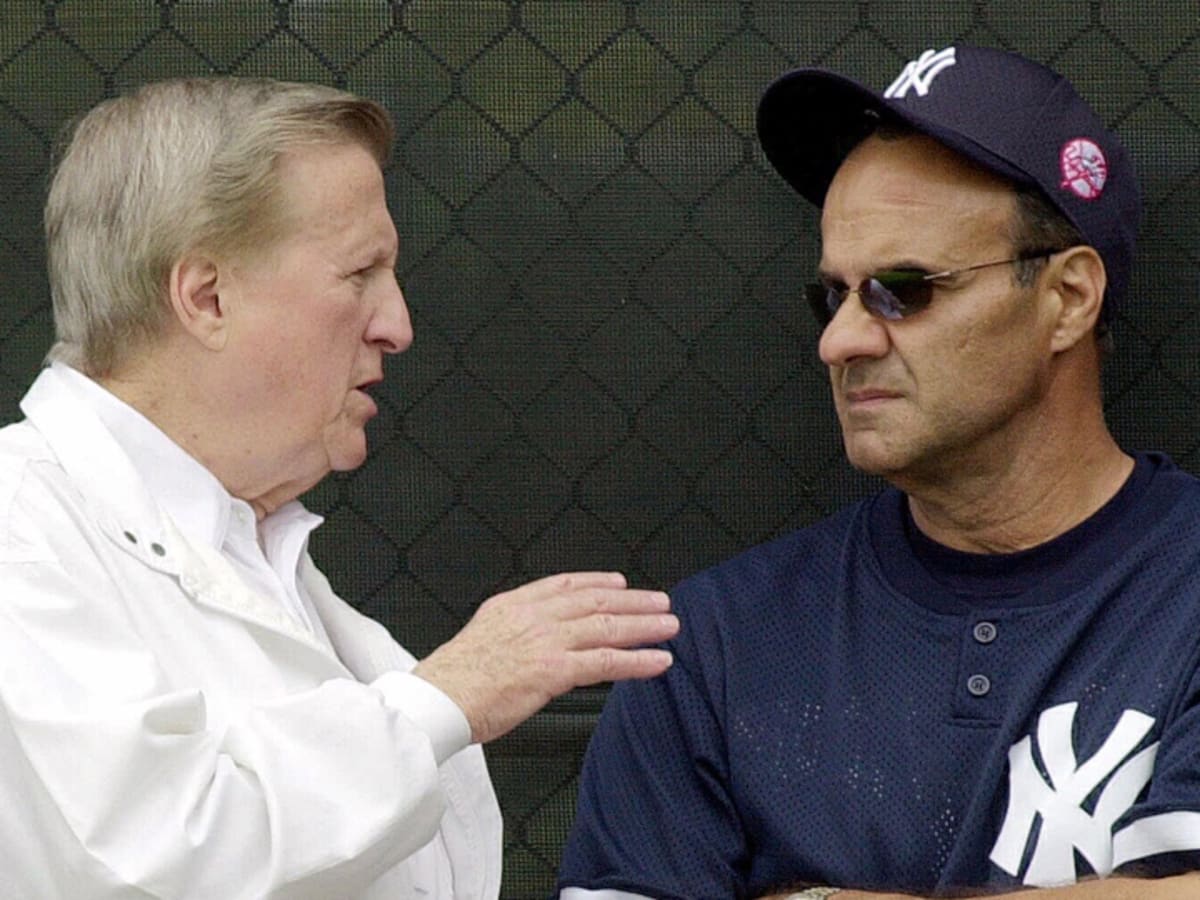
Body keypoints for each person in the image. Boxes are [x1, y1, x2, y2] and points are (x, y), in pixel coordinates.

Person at [0, 77, 680, 899]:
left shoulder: (251, 547)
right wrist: (445, 696)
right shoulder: (21, 531)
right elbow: (138, 858)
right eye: (361, 271)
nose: (397, 323)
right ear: (206, 297)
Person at [557, 45, 1200, 900]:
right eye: (835, 295)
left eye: (904, 289)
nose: (841, 342)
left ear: (1068, 299)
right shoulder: (708, 647)